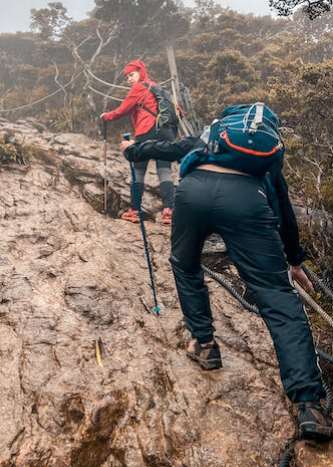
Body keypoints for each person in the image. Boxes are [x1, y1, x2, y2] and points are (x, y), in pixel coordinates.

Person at [120, 122, 333, 442]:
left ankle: (205, 346)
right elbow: (285, 212)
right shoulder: (268, 152)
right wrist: (293, 261)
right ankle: (309, 407)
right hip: (247, 199)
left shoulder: (214, 135)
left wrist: (132, 150)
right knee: (277, 296)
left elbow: (171, 149)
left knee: (185, 264)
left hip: (192, 194)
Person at [100, 60, 180, 224]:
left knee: (139, 171)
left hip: (147, 131)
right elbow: (178, 111)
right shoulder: (158, 88)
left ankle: (135, 211)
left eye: (132, 75)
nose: (129, 79)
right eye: (127, 76)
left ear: (140, 72)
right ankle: (168, 211)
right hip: (165, 133)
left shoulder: (139, 88)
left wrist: (106, 117)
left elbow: (123, 110)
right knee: (164, 170)